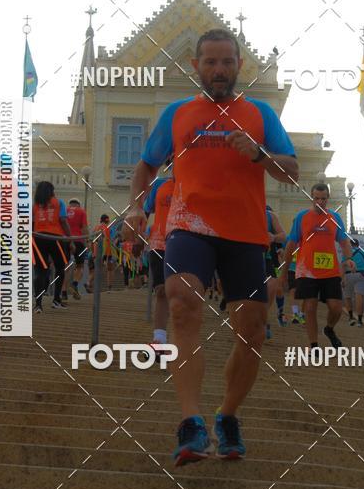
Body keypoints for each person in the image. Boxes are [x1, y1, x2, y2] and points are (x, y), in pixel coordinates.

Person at [124, 28, 298, 466]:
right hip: (189, 225)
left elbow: (291, 170)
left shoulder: (259, 114)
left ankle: (227, 416)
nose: (218, 70)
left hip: (244, 233)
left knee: (252, 331)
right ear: (195, 66)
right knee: (182, 302)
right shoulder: (178, 114)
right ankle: (190, 423)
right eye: (210, 62)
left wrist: (259, 155)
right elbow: (145, 165)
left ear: (239, 65)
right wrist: (135, 208)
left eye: (226, 62)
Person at [278, 183, 355, 353]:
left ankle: (329, 328)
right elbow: (291, 244)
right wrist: (283, 273)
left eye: (323, 199)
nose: (320, 202)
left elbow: (344, 241)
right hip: (306, 271)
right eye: (316, 198)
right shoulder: (302, 217)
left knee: (336, 308)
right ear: (312, 198)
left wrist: (348, 258)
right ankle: (314, 345)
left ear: (328, 199)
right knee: (310, 307)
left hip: (330, 271)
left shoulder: (334, 217)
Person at [143, 165, 175, 360]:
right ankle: (159, 340)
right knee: (161, 290)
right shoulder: (159, 186)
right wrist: (138, 236)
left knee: (181, 293)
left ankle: (182, 338)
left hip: (188, 245)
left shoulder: (197, 184)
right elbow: (145, 210)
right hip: (159, 243)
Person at [32, 181, 71, 312]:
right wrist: (69, 238)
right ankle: (56, 300)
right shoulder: (59, 202)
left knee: (40, 271)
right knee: (60, 268)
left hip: (38, 237)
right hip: (56, 238)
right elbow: (63, 221)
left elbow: (31, 222)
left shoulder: (36, 205)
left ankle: (38, 304)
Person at [264, 204, 286, 339]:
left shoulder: (271, 221)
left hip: (274, 264)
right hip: (254, 259)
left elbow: (283, 244)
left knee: (277, 288)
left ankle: (281, 312)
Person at [343, 237, 364, 327]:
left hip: (348, 275)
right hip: (361, 274)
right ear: (358, 245)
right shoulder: (363, 252)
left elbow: (342, 265)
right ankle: (360, 321)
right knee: (359, 296)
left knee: (348, 296)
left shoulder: (346, 253)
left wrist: (342, 279)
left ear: (350, 245)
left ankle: (350, 318)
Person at [62, 198, 89, 300]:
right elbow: (84, 227)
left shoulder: (64, 211)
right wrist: (88, 241)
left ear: (70, 204)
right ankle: (74, 283)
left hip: (65, 240)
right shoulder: (81, 211)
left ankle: (63, 292)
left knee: (65, 266)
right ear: (78, 204)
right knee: (80, 265)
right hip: (78, 241)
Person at [87, 214, 114, 292]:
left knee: (94, 270)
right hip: (104, 253)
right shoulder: (106, 228)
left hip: (94, 252)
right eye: (108, 220)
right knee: (108, 269)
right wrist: (107, 256)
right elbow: (107, 242)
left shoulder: (95, 227)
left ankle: (89, 284)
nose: (109, 221)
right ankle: (109, 287)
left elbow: (91, 240)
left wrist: (92, 252)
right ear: (106, 220)